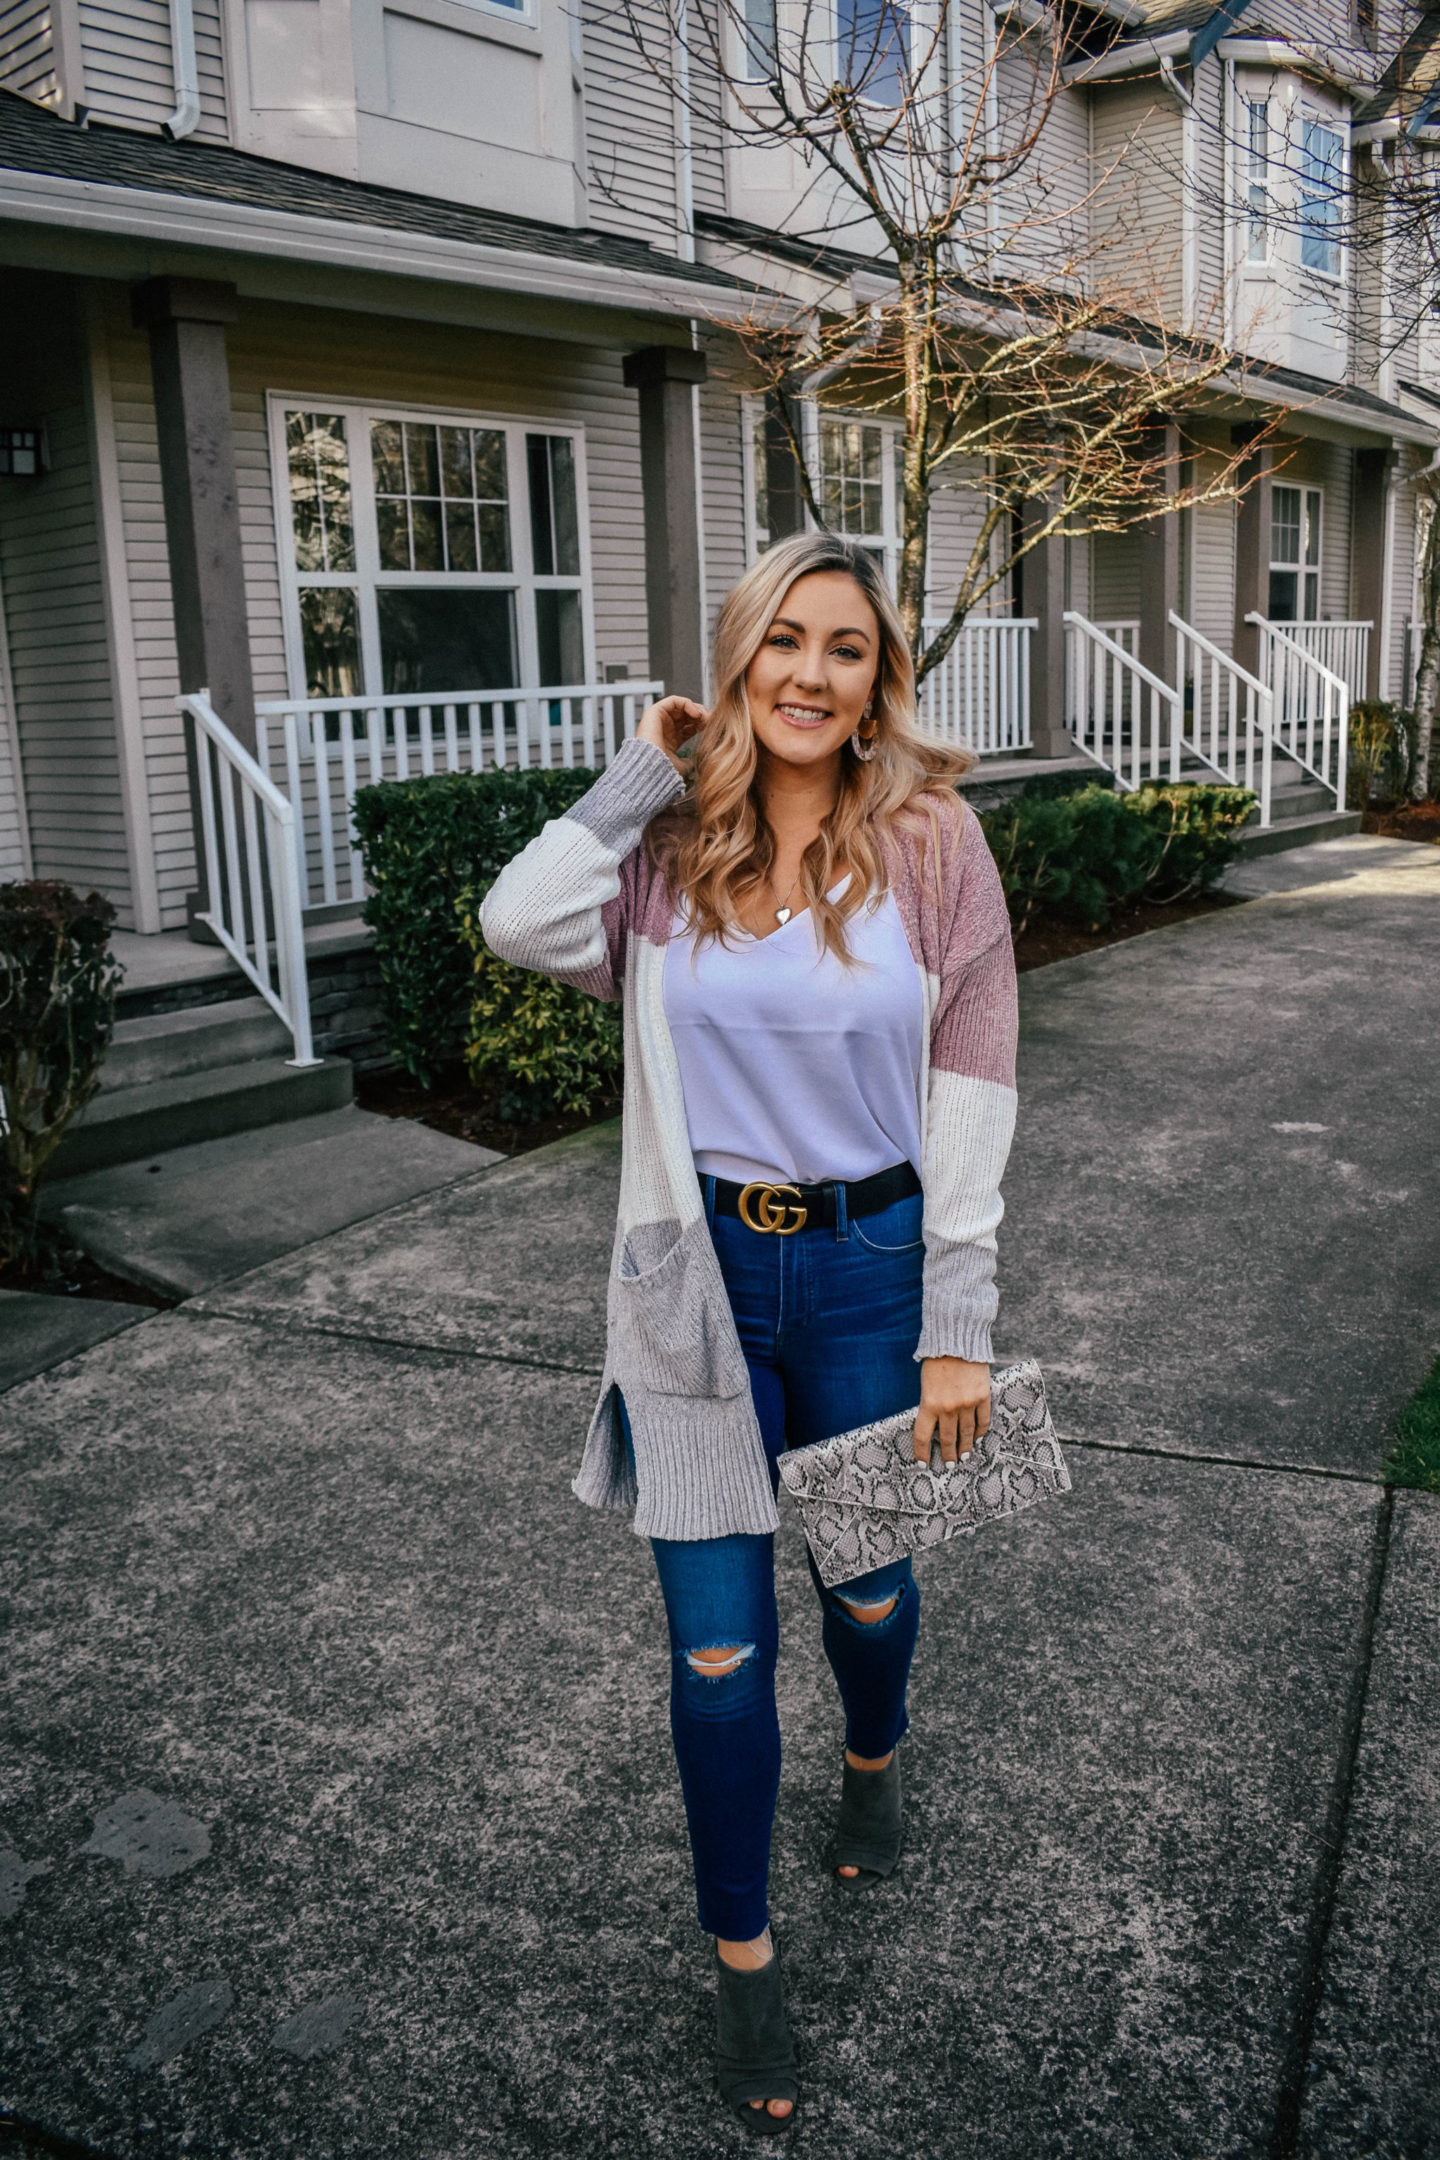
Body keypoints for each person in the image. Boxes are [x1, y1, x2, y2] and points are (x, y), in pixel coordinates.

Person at [481, 530, 1018, 2134]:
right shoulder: (664, 856)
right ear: (735, 661)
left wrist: (957, 1320)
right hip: (691, 1284)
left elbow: (973, 1081)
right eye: (780, 641)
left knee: (870, 1589)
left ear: (878, 683)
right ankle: (745, 1963)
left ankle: (873, 1761)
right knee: (718, 1657)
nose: (807, 673)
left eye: (843, 648)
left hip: (869, 1272)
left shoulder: (932, 843)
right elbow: (518, 921)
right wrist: (638, 778)